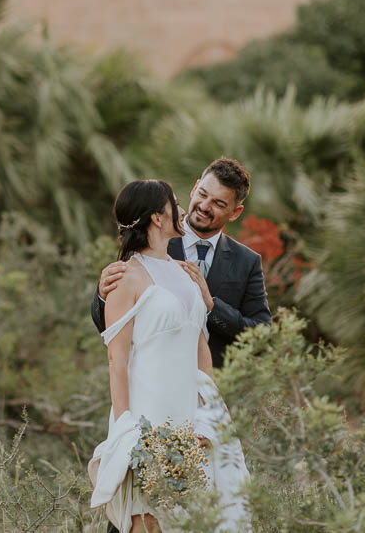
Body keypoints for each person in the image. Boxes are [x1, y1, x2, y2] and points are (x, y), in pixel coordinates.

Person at [88, 179, 251, 533]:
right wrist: (128, 428)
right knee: (148, 524)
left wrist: (208, 417)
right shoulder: (124, 277)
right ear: (156, 219)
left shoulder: (185, 274)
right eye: (172, 204)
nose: (182, 209)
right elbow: (117, 360)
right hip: (148, 421)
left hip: (191, 425)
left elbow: (201, 349)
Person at [91, 158, 272, 368]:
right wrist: (103, 297)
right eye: (202, 194)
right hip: (156, 378)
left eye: (218, 203)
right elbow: (111, 329)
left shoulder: (247, 261)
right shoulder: (148, 243)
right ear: (195, 188)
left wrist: (212, 307)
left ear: (235, 212)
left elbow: (262, 333)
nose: (204, 206)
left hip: (219, 386)